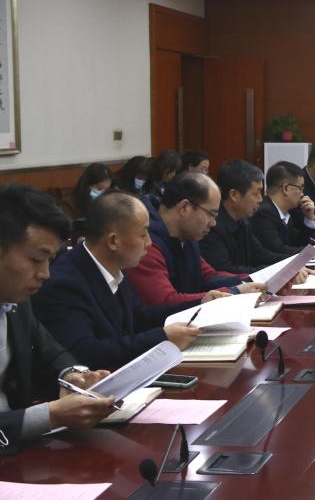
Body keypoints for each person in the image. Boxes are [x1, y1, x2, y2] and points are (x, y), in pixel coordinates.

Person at [0, 183, 115, 454]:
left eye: (50, 260)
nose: (45, 274)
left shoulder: (16, 300)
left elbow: (51, 353)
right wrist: (50, 415)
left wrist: (72, 375)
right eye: (36, 259)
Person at [33, 192, 200, 370]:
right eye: (143, 234)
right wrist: (162, 337)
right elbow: (86, 353)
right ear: (113, 241)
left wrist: (201, 304)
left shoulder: (112, 266)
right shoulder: (64, 284)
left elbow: (141, 316)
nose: (149, 243)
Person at [125, 172, 265, 306]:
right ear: (185, 207)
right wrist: (234, 292)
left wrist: (254, 279)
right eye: (211, 214)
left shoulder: (186, 236)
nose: (213, 223)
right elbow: (164, 301)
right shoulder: (146, 243)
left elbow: (208, 276)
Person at [199, 159, 286, 275]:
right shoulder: (211, 226)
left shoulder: (242, 221)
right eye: (256, 193)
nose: (260, 199)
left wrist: (292, 262)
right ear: (234, 195)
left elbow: (260, 254)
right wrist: (275, 271)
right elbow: (225, 270)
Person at [252, 161, 315, 257]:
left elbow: (298, 243)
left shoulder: (287, 212)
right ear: (286, 188)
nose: (302, 194)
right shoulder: (263, 213)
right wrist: (314, 251)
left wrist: (309, 218)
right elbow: (278, 250)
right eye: (300, 188)